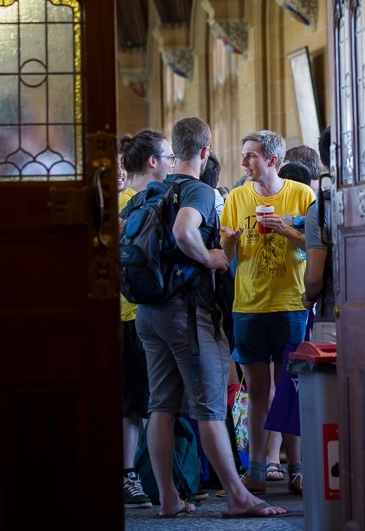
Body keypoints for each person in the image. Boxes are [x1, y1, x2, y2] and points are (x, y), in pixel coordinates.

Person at [133, 117, 288, 519]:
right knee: (209, 406)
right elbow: (186, 232)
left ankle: (168, 497)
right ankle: (238, 496)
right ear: (205, 152)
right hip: (187, 314)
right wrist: (212, 258)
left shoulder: (151, 189)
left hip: (148, 313)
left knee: (161, 406)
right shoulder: (198, 191)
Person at [220, 130, 314, 496]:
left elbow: (317, 244)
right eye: (244, 156)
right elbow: (225, 257)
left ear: (272, 160)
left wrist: (286, 229)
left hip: (290, 302)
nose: (244, 163)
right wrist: (226, 244)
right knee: (258, 390)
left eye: (251, 156)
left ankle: (298, 469)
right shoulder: (236, 199)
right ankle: (256, 470)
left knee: (291, 388)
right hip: (248, 304)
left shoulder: (301, 194)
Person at [118, 129, 176, 509]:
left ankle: (152, 479)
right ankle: (129, 476)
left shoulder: (132, 200)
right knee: (136, 402)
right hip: (134, 313)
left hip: (139, 312)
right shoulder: (135, 201)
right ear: (153, 161)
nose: (172, 162)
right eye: (168, 156)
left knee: (142, 401)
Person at [302, 126, 336, 343]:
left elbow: (314, 278)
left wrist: (308, 297)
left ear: (323, 162)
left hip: (333, 315)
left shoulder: (321, 209)